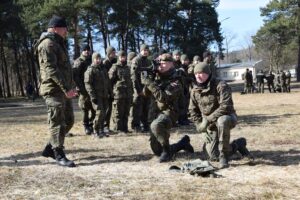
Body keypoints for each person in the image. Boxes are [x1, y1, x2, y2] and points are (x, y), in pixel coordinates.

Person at [189, 62, 252, 168]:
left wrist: (207, 120)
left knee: (222, 120)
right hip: (210, 124)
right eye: (196, 74)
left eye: (201, 73)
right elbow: (192, 111)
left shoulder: (221, 85)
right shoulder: (195, 90)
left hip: (228, 117)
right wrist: (201, 128)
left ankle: (224, 156)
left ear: (208, 73)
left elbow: (226, 106)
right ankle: (238, 145)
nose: (198, 76)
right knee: (212, 156)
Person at [36, 15, 77, 167]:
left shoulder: (58, 43)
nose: (66, 31)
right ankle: (58, 154)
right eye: (64, 28)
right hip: (53, 90)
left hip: (63, 89)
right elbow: (51, 70)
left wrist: (71, 86)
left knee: (69, 120)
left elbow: (65, 69)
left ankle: (49, 147)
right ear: (55, 28)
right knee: (57, 122)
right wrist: (66, 88)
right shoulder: (48, 44)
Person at [143, 53, 194, 162]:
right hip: (155, 113)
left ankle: (167, 151)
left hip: (169, 113)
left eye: (164, 63)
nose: (160, 65)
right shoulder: (157, 77)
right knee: (157, 151)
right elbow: (145, 93)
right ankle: (182, 144)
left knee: (156, 125)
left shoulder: (176, 80)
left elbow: (163, 98)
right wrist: (149, 79)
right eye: (159, 63)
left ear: (171, 64)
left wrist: (150, 83)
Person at [84, 52, 110, 138]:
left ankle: (101, 130)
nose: (98, 60)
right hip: (96, 96)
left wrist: (110, 93)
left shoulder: (103, 69)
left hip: (104, 95)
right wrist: (93, 96)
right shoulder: (90, 70)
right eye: (96, 59)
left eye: (99, 58)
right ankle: (95, 131)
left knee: (104, 113)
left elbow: (107, 82)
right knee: (99, 113)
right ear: (93, 60)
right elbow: (88, 84)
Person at [73, 44, 95, 135]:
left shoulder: (92, 61)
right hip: (83, 90)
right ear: (82, 51)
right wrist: (81, 89)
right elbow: (75, 76)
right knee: (84, 109)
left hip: (93, 89)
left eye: (88, 50)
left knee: (94, 108)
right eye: (85, 50)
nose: (87, 51)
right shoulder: (79, 61)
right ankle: (86, 126)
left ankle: (91, 124)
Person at [109, 50, 133, 133]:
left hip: (127, 93)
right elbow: (110, 81)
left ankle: (125, 128)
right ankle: (118, 129)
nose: (123, 58)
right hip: (118, 93)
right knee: (118, 112)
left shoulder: (128, 67)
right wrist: (111, 93)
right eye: (121, 57)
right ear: (118, 57)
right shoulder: (115, 67)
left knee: (126, 112)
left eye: (124, 56)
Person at [130, 44, 152, 132]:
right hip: (138, 88)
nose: (146, 51)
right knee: (137, 108)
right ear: (140, 50)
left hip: (146, 88)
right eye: (144, 50)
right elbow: (134, 76)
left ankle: (145, 125)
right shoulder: (136, 60)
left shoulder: (148, 61)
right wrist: (138, 90)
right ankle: (136, 125)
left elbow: (150, 74)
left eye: (147, 50)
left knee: (146, 107)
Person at [103, 46, 117, 133]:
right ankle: (105, 126)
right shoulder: (105, 63)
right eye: (112, 53)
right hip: (106, 88)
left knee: (111, 108)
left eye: (115, 52)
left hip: (114, 88)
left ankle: (109, 126)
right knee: (107, 108)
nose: (114, 54)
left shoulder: (115, 62)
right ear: (108, 53)